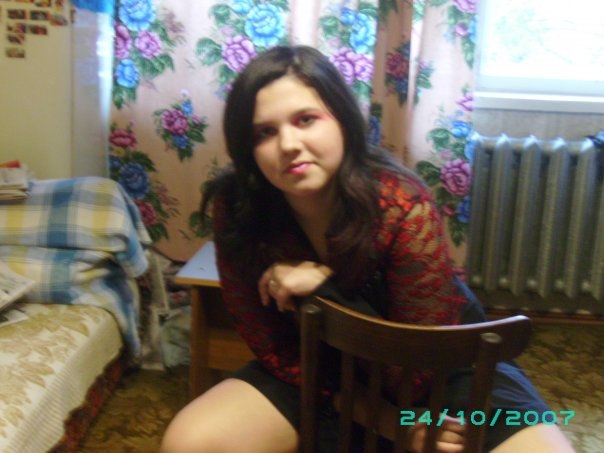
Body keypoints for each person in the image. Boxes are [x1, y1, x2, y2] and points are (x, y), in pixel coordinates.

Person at [160, 45, 575, 453]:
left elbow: (415, 375)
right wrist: (387, 422)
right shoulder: (237, 208)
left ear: (342, 119)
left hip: (440, 360)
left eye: (306, 120)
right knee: (190, 442)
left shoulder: (401, 205)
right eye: (264, 132)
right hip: (316, 366)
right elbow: (272, 348)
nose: (288, 144)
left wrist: (325, 290)